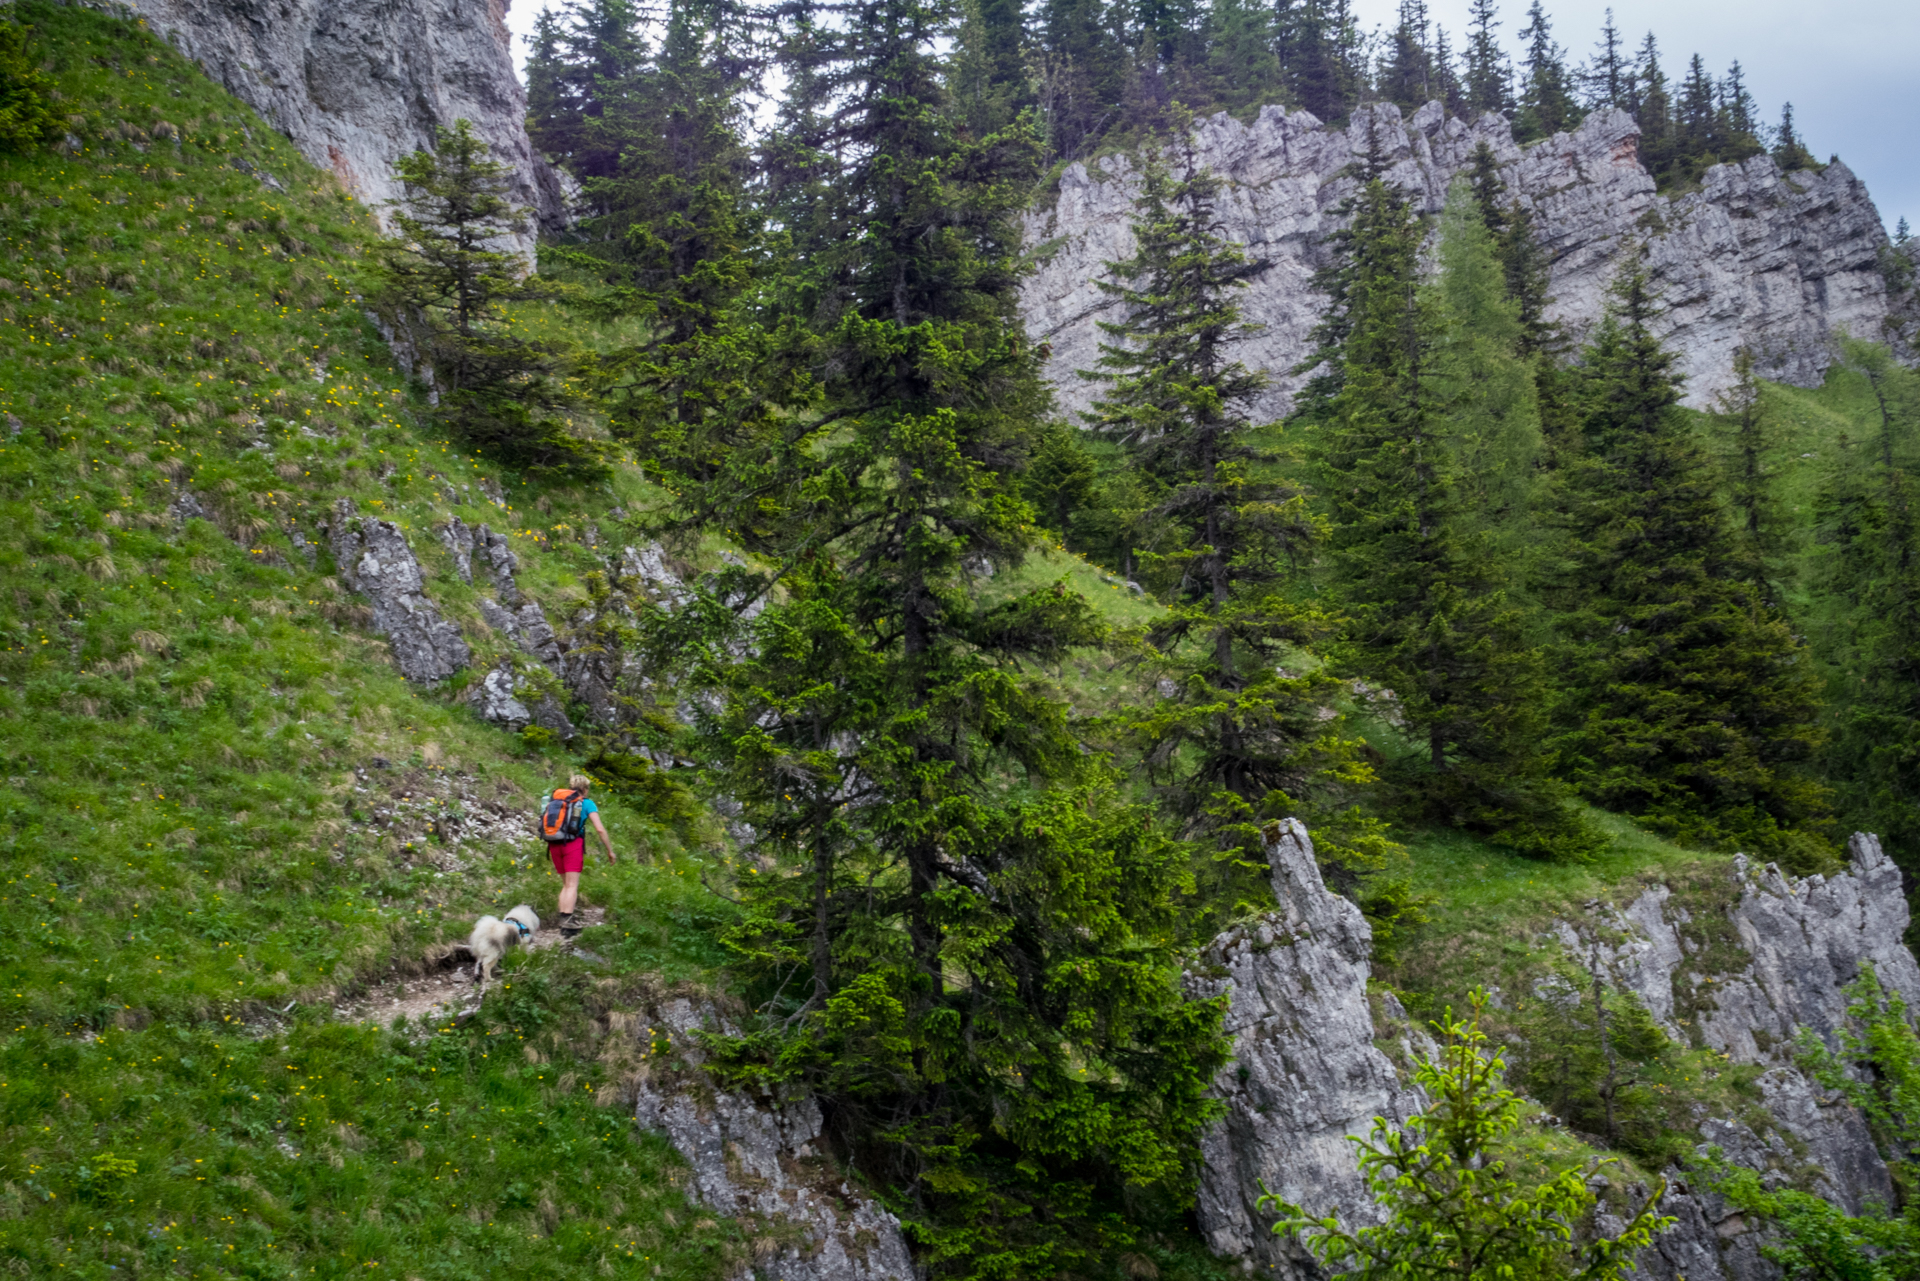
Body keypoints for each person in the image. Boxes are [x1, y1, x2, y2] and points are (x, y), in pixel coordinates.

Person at [548, 773, 615, 938]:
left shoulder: (558, 801)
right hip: (572, 845)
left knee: (565, 884)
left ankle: (563, 917)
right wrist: (610, 851)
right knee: (572, 885)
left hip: (554, 843)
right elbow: (599, 829)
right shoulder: (586, 803)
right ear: (585, 788)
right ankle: (567, 921)